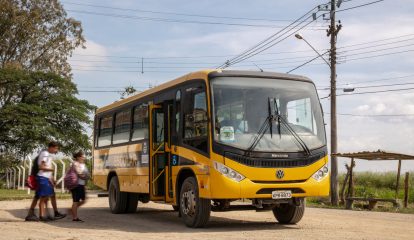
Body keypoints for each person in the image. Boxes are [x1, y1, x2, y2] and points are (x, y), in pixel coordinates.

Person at [25, 141, 66, 221]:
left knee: (47, 195)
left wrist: (51, 177)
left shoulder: (45, 154)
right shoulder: (45, 154)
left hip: (44, 178)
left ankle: (46, 214)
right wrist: (51, 170)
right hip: (42, 178)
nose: (56, 150)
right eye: (56, 148)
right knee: (44, 197)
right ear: (51, 147)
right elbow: (41, 167)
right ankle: (42, 216)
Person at [70, 151, 89, 222]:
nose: (83, 157)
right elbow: (79, 174)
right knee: (75, 201)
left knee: (83, 200)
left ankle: (72, 210)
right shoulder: (75, 164)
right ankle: (75, 217)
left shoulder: (83, 164)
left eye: (84, 156)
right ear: (78, 157)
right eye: (82, 156)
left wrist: (85, 183)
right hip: (76, 185)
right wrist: (85, 177)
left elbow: (85, 174)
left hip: (81, 185)